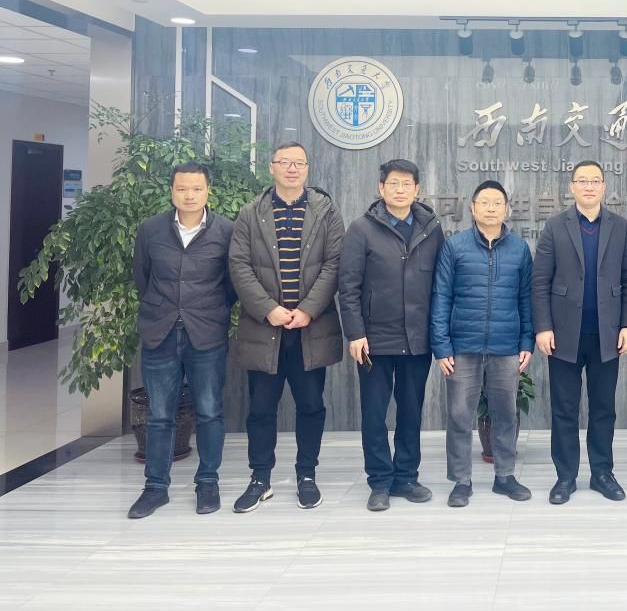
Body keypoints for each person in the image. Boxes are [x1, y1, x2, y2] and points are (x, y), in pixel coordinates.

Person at [228, 141, 344, 513]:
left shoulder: (326, 211)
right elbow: (239, 266)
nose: (292, 168)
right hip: (265, 329)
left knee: (311, 405)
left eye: (299, 163)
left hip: (311, 329)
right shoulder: (251, 213)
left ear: (307, 169)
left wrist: (308, 309)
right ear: (272, 167)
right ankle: (260, 478)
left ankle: (306, 475)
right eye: (285, 162)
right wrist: (269, 310)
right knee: (261, 408)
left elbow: (335, 263)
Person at [127, 163, 236, 519]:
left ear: (208, 191)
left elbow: (232, 285)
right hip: (160, 332)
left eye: (196, 189)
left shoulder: (226, 231)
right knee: (159, 415)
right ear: (171, 191)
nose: (189, 195)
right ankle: (155, 488)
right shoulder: (150, 229)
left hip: (206, 334)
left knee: (209, 411)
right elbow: (142, 277)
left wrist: (207, 311)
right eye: (182, 189)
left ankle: (208, 483)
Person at [338, 158, 444, 512]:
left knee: (411, 411)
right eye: (393, 184)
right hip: (374, 340)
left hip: (417, 338)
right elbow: (348, 286)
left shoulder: (432, 229)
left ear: (417, 189)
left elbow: (441, 285)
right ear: (381, 188)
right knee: (374, 413)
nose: (400, 190)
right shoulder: (361, 229)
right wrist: (355, 333)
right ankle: (380, 482)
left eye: (406, 184)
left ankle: (406, 478)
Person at [532, 160, 627, 505]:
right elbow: (540, 281)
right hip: (564, 334)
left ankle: (602, 474)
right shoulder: (555, 226)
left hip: (607, 334)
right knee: (564, 409)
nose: (589, 186)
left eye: (595, 181)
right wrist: (543, 327)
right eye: (582, 181)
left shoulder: (620, 226)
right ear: (572, 186)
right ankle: (565, 476)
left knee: (603, 408)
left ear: (604, 186)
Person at [431, 180, 534, 508]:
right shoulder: (454, 246)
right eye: (484, 202)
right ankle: (461, 481)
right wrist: (441, 346)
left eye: (497, 203)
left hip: (506, 347)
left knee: (506, 414)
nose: (491, 208)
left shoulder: (519, 249)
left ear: (507, 209)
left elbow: (526, 299)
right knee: (459, 416)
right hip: (463, 346)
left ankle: (505, 476)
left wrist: (527, 341)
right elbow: (441, 296)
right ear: (472, 208)